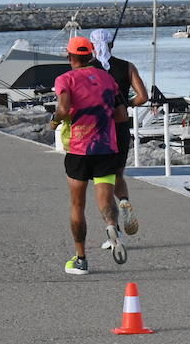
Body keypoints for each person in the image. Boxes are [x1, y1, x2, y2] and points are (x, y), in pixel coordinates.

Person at [49, 36, 125, 276]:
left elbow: (62, 108)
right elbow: (121, 115)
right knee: (104, 200)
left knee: (77, 205)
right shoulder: (107, 78)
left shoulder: (65, 79)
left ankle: (81, 259)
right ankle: (112, 227)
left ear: (69, 56)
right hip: (106, 149)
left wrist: (54, 122)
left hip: (79, 151)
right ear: (90, 55)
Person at [88, 29, 147, 243]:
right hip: (121, 127)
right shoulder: (127, 66)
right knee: (118, 174)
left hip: (98, 129)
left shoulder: (88, 70)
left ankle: (113, 230)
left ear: (92, 46)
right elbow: (143, 97)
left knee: (102, 180)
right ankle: (123, 200)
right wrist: (124, 104)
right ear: (112, 45)